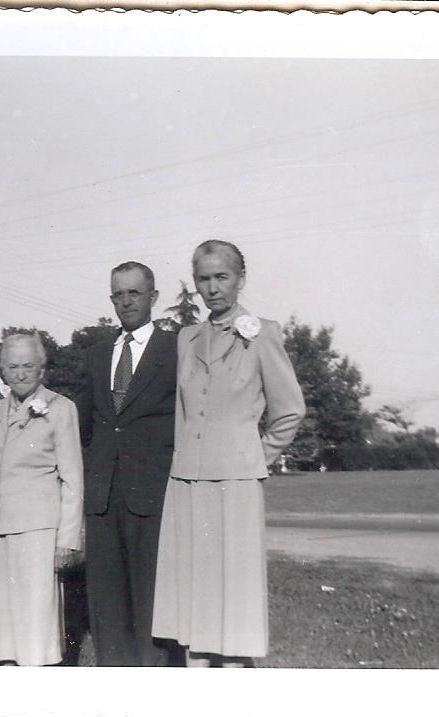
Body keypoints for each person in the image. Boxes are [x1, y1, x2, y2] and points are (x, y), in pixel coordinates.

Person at [152, 239, 306, 667]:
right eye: (204, 278)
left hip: (236, 484)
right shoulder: (186, 338)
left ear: (241, 279)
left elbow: (290, 410)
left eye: (222, 277)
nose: (213, 287)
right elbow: (183, 413)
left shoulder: (263, 333)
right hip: (187, 482)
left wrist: (255, 455)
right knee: (194, 599)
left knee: (234, 602)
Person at [76, 261, 178, 666]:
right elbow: (83, 426)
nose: (125, 301)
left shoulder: (174, 349)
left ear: (153, 297)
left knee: (150, 596)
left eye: (134, 293)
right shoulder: (96, 354)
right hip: (102, 496)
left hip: (152, 494)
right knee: (106, 599)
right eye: (118, 294)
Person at [0, 332, 84, 666]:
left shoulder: (61, 409)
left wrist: (68, 539)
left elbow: (72, 479)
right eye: (13, 366)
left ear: (42, 369)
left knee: (34, 618)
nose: (20, 373)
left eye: (28, 366)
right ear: (3, 370)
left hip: (37, 530)